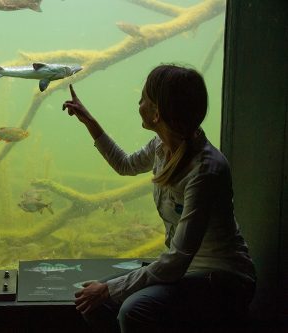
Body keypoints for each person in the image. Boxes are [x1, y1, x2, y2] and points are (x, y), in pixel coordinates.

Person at [62, 64, 256, 332]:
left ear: (158, 113)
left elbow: (176, 260)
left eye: (144, 99)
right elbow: (125, 164)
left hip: (223, 279)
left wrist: (109, 289)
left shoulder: (206, 170)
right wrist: (90, 122)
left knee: (134, 310)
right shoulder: (161, 147)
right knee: (93, 301)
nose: (138, 103)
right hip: (187, 271)